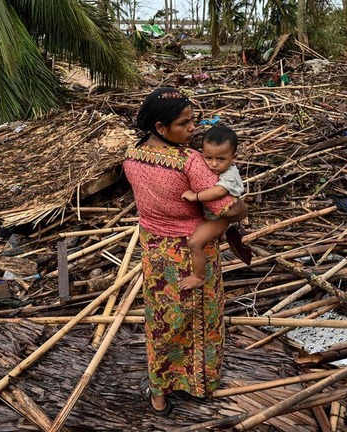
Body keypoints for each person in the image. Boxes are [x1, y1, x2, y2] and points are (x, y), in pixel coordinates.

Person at [123, 88, 247, 416]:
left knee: (161, 321)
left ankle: (159, 391)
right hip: (193, 251)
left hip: (153, 251)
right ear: (161, 128)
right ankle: (199, 383)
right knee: (202, 319)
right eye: (184, 123)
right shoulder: (189, 162)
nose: (193, 128)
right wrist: (242, 207)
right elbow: (227, 208)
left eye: (194, 120)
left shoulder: (131, 157)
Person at [179, 124, 250, 289]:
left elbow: (218, 192)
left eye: (221, 159)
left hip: (219, 219)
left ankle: (199, 276)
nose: (213, 164)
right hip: (211, 216)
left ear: (233, 157)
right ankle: (221, 236)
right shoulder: (211, 167)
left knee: (195, 243)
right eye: (208, 157)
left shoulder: (230, 175)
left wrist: (194, 196)